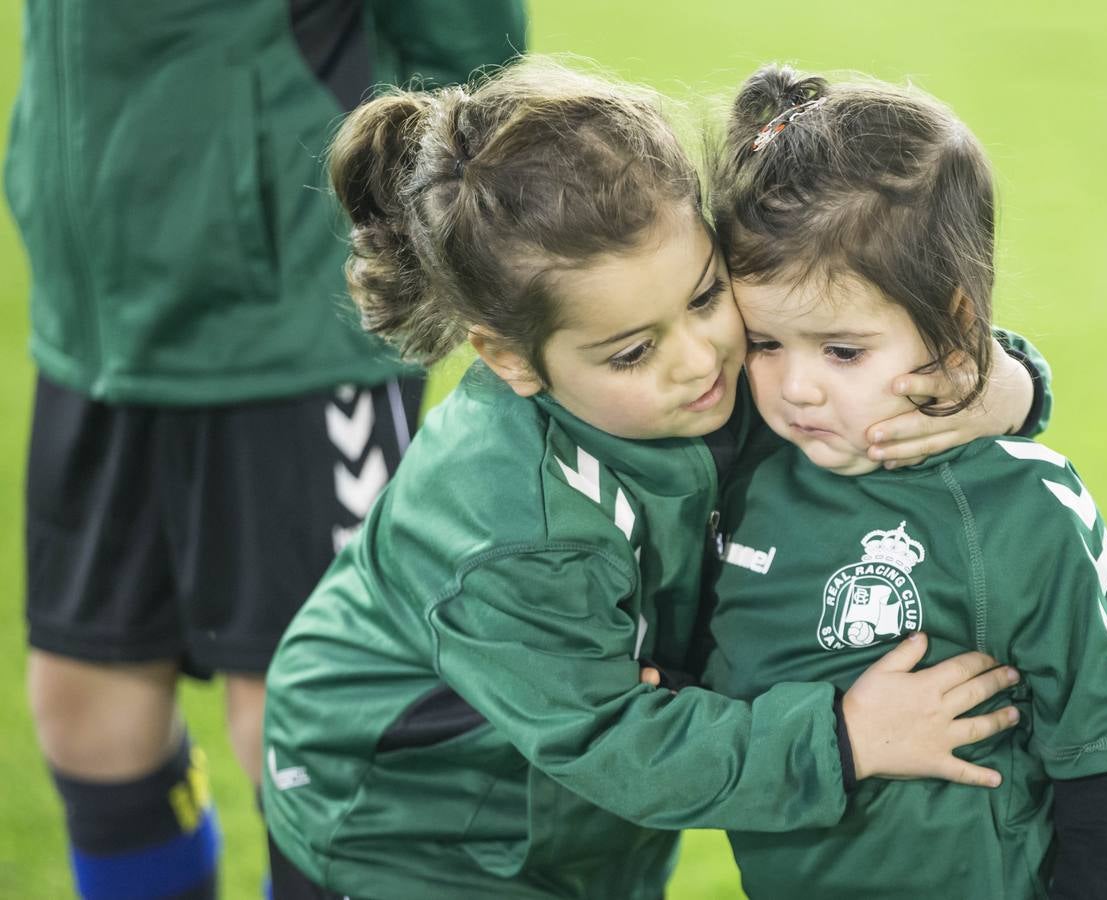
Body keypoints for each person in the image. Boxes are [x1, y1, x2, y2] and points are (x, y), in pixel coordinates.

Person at [261, 57, 1046, 900]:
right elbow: (609, 738)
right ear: (509, 357)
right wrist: (844, 737)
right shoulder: (513, 527)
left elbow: (880, 364)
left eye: (707, 296)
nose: (698, 359)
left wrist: (1002, 385)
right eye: (633, 351)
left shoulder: (732, 369)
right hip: (405, 830)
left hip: (565, 818)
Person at [6, 2, 525, 897]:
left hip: (289, 318)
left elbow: (469, 43)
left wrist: (440, 224)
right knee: (87, 710)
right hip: (92, 326)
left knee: (319, 728)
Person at [699, 65, 1107, 899]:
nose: (797, 386)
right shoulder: (738, 481)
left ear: (953, 326)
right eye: (766, 343)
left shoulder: (1029, 506)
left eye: (842, 351)